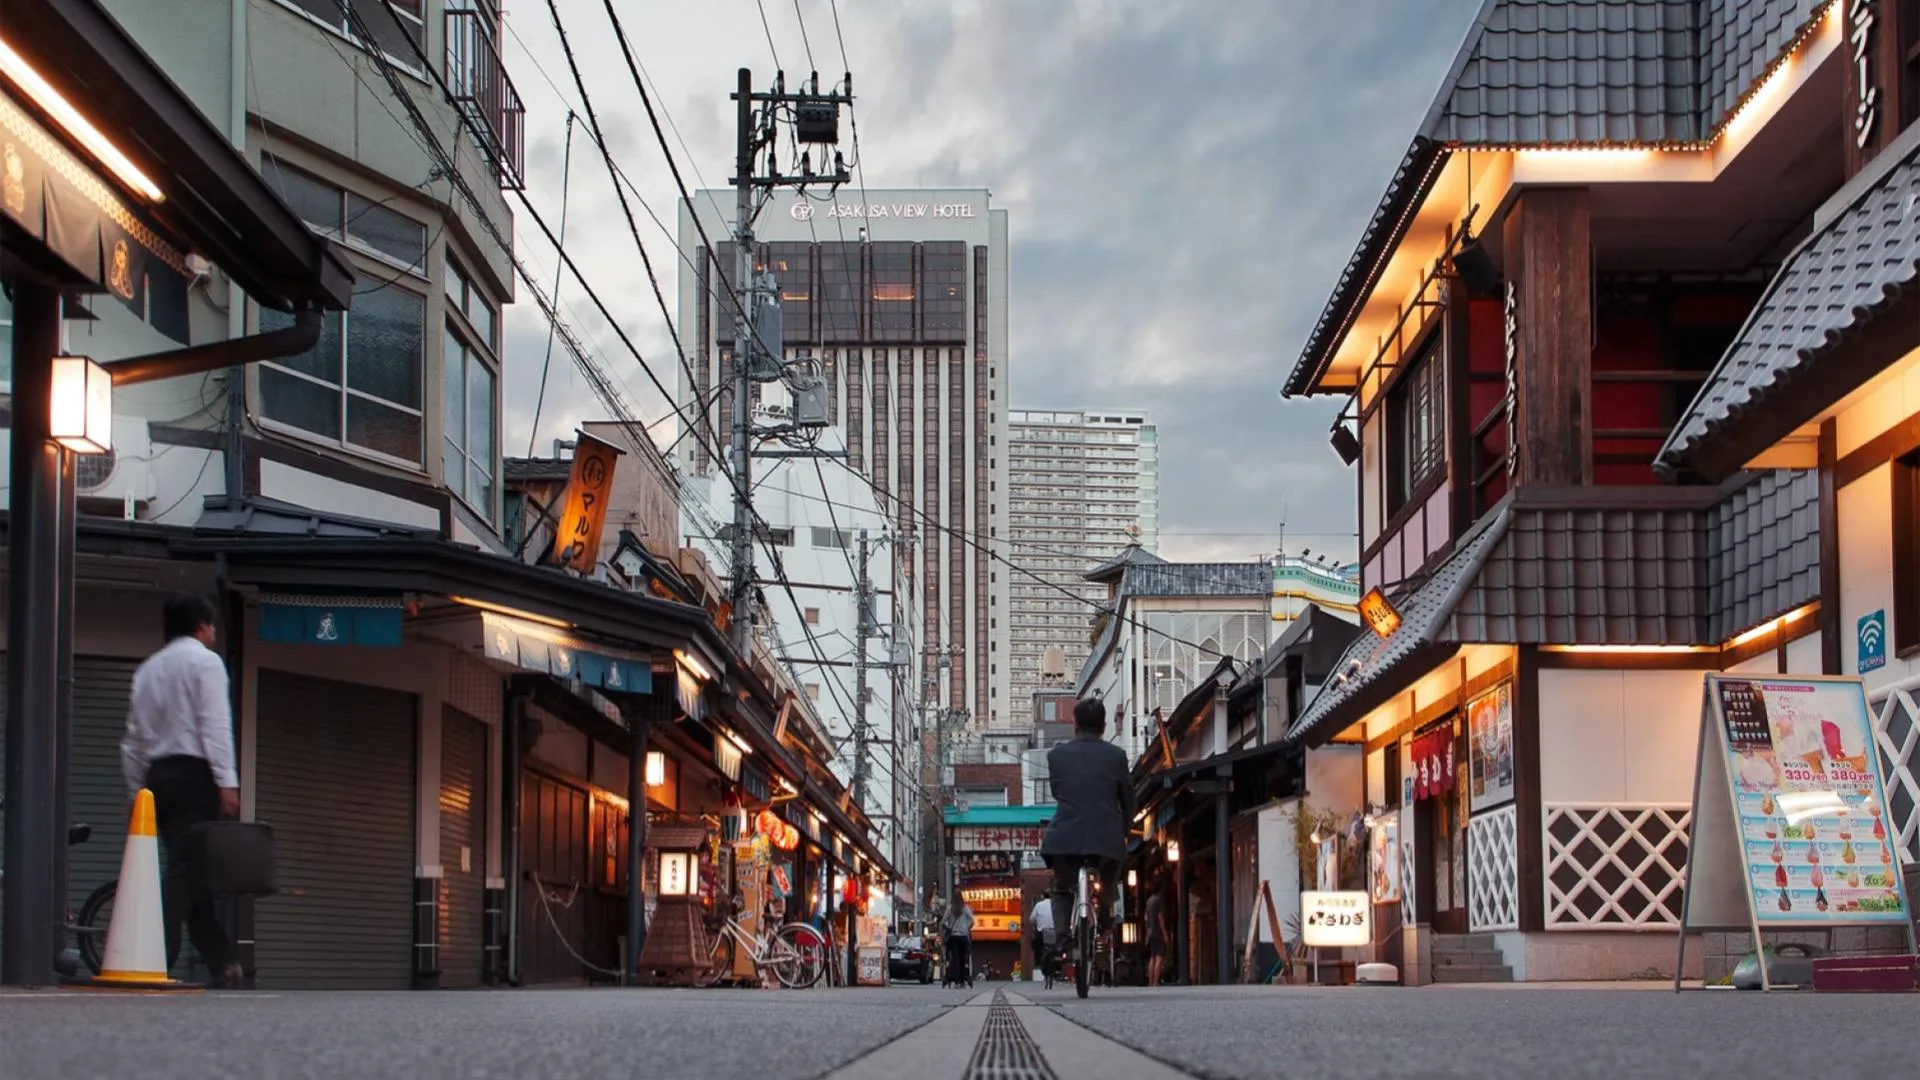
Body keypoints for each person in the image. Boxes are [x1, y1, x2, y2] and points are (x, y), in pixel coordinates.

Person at [121, 594, 241, 989]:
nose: (213, 634)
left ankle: (222, 960)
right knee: (185, 872)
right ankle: (156, 954)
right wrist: (227, 781)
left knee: (190, 867)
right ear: (202, 625)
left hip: (157, 778)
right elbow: (215, 725)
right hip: (194, 777)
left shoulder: (147, 671)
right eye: (212, 626)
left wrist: (136, 793)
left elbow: (133, 741)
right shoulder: (205, 663)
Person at [1040, 696, 1134, 965]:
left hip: (1065, 837)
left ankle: (1061, 936)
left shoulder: (1056, 756)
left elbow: (1058, 792)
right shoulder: (1117, 756)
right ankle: (1105, 912)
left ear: (1075, 724)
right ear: (1103, 726)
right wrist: (1125, 828)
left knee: (1061, 885)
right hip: (1106, 836)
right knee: (1110, 872)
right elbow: (1128, 799)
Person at [939, 888, 974, 987]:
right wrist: (966, 928)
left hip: (953, 937)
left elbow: (943, 922)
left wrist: (947, 928)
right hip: (963, 937)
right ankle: (962, 981)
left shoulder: (950, 908)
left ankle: (957, 981)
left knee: (955, 959)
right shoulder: (965, 908)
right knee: (962, 959)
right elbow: (972, 921)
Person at [1144, 885, 1168, 986]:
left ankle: (1150, 982)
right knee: (1159, 957)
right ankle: (1155, 982)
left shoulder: (1148, 901)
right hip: (1158, 932)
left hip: (1150, 931)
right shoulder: (1158, 901)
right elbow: (1160, 917)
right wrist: (1165, 933)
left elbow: (1146, 917)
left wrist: (1147, 931)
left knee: (1152, 957)